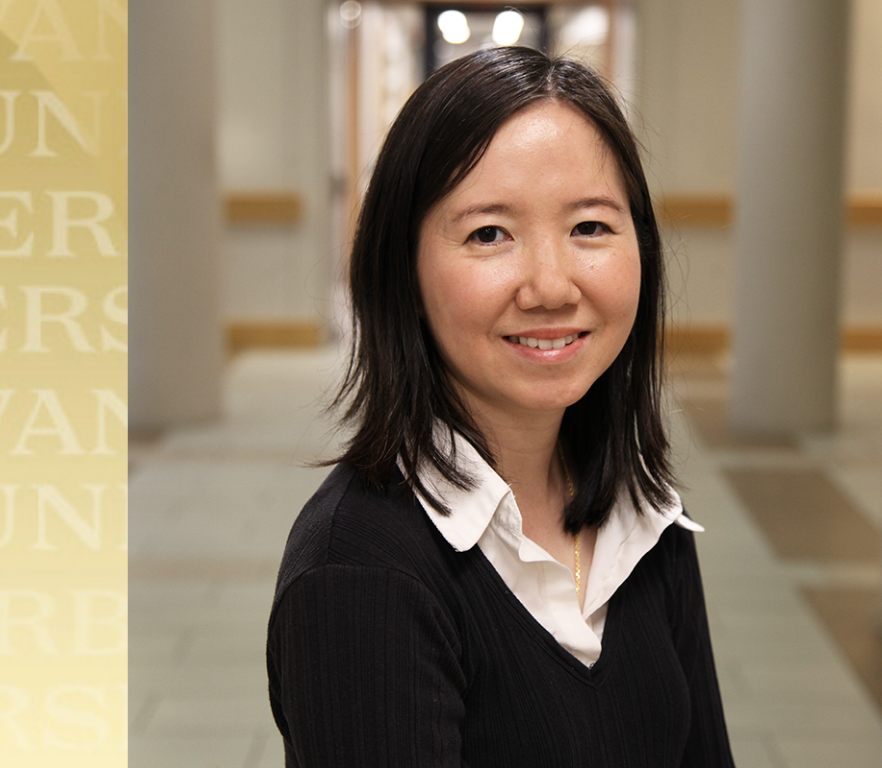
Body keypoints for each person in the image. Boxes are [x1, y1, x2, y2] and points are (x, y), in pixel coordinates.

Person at [267, 45, 736, 767]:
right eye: (489, 233)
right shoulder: (359, 575)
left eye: (590, 227)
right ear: (403, 271)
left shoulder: (642, 516)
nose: (550, 286)